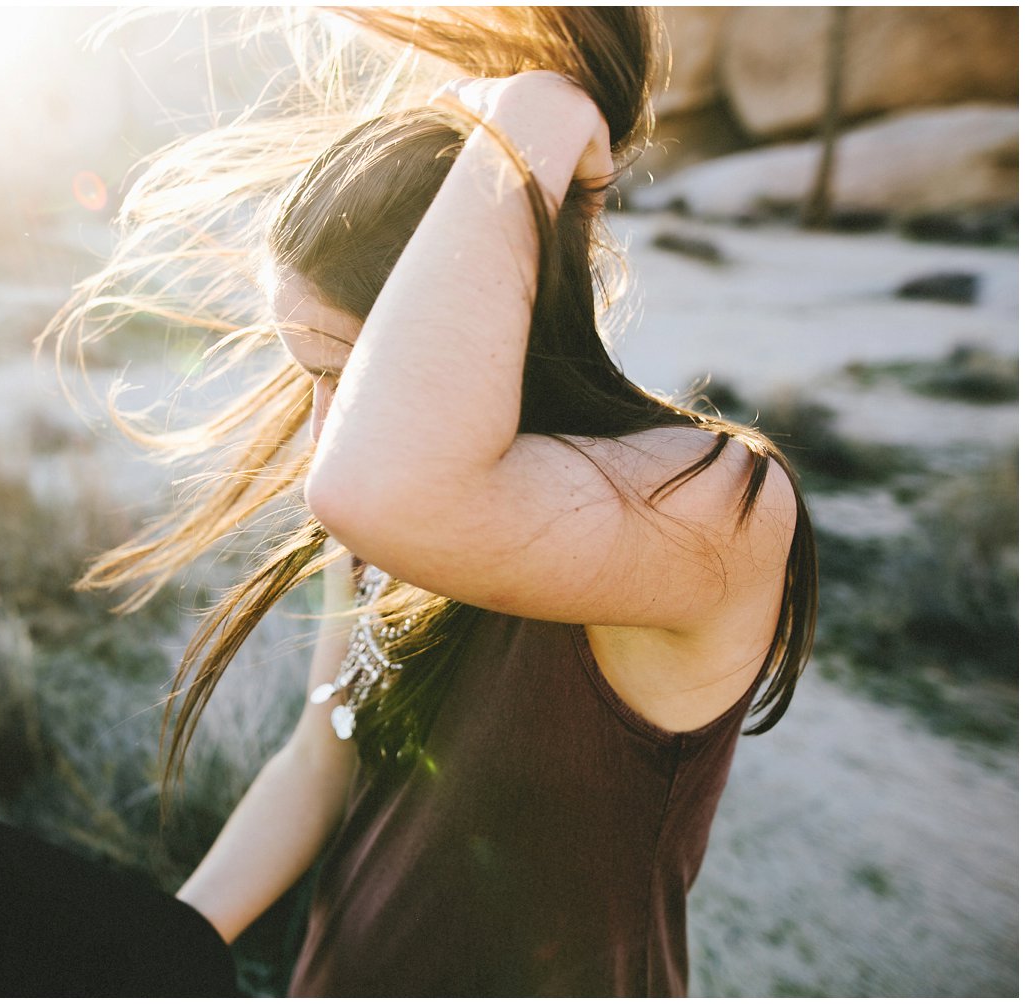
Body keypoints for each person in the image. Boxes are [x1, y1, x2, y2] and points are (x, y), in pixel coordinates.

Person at [50, 6, 817, 997]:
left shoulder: (718, 507)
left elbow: (374, 479)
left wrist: (537, 113)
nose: (329, 433)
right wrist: (165, 943)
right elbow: (320, 758)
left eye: (355, 375)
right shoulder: (386, 510)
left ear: (496, 315)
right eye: (316, 382)